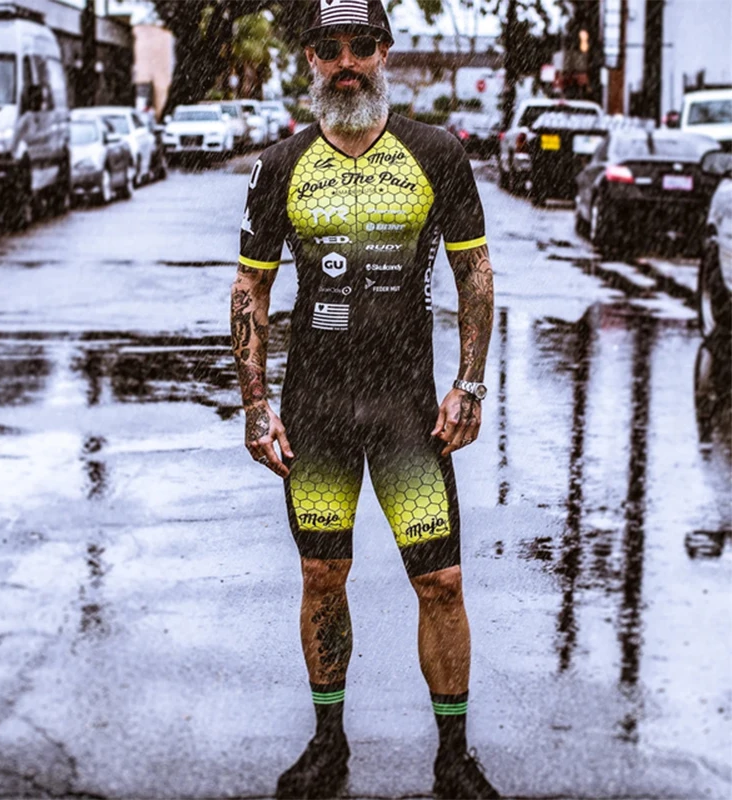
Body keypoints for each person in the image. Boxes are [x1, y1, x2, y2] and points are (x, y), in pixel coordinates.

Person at [230, 1, 498, 797]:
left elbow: (474, 273)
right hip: (317, 410)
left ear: (384, 52)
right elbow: (249, 290)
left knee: (441, 582)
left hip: (405, 410)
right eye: (331, 48)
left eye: (361, 46)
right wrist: (255, 404)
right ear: (311, 59)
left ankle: (454, 758)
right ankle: (327, 744)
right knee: (323, 574)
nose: (346, 62)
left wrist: (469, 384)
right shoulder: (280, 165)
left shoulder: (437, 153)